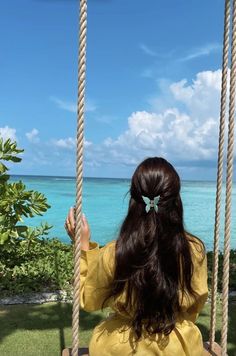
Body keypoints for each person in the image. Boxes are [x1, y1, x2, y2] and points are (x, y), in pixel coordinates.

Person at [65, 157, 208, 356]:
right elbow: (196, 301)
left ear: (133, 199)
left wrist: (83, 246)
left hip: (119, 348)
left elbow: (89, 300)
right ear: (176, 200)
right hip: (178, 346)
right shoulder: (193, 250)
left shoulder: (115, 252)